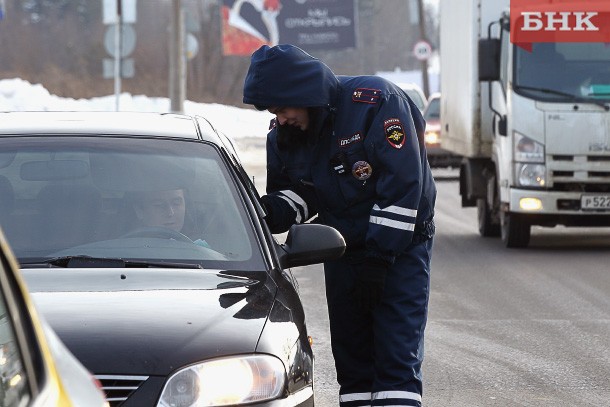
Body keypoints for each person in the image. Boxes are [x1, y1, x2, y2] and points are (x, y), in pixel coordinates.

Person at [243, 44, 437, 407]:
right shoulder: (285, 136)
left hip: (398, 253)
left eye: (283, 109)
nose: (280, 118)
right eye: (273, 112)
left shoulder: (376, 104)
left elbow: (404, 186)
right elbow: (298, 194)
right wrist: (265, 214)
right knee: (353, 366)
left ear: (303, 95)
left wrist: (379, 259)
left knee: (396, 359)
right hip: (343, 252)